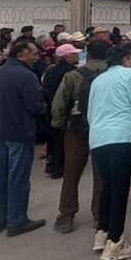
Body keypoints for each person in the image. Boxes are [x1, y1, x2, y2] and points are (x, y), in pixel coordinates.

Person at [86, 45, 131, 260]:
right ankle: (116, 241)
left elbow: (91, 111)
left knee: (108, 185)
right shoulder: (130, 75)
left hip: (98, 137)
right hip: (121, 136)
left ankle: (102, 232)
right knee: (120, 189)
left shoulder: (98, 80)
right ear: (127, 58)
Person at [0, 41, 46, 237]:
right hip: (19, 133)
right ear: (21, 55)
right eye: (34, 53)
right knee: (18, 178)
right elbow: (34, 105)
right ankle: (16, 220)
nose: (37, 57)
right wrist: (45, 108)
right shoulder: (27, 76)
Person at [50, 40, 108, 234]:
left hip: (77, 128)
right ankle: (99, 214)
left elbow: (59, 104)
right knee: (102, 174)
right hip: (105, 129)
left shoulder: (73, 75)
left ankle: (66, 215)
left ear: (87, 54)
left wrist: (58, 125)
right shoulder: (112, 74)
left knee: (71, 172)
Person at [42, 44, 80, 179]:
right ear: (65, 56)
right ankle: (60, 168)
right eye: (73, 53)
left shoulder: (50, 70)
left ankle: (51, 165)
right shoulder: (71, 72)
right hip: (64, 110)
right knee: (63, 141)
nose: (76, 56)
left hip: (50, 108)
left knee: (53, 139)